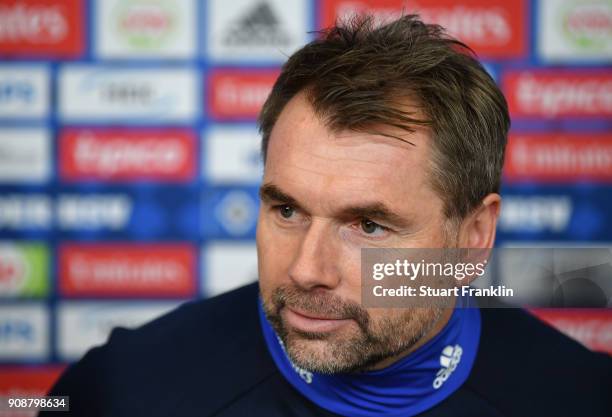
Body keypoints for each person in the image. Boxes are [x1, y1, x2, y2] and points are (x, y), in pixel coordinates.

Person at [42, 15, 611, 417]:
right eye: (286, 209)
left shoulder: (582, 398)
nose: (306, 270)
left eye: (369, 226)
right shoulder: (123, 390)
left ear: (474, 236)